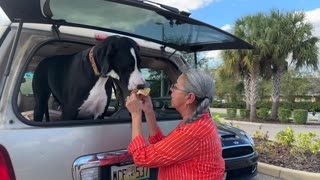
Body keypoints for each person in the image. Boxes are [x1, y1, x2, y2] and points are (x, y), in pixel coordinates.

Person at [126, 68, 225, 180]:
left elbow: (141, 157)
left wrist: (135, 114)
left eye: (175, 87)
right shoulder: (196, 123)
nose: (171, 90)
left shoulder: (193, 132)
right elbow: (162, 146)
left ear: (190, 98)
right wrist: (149, 111)